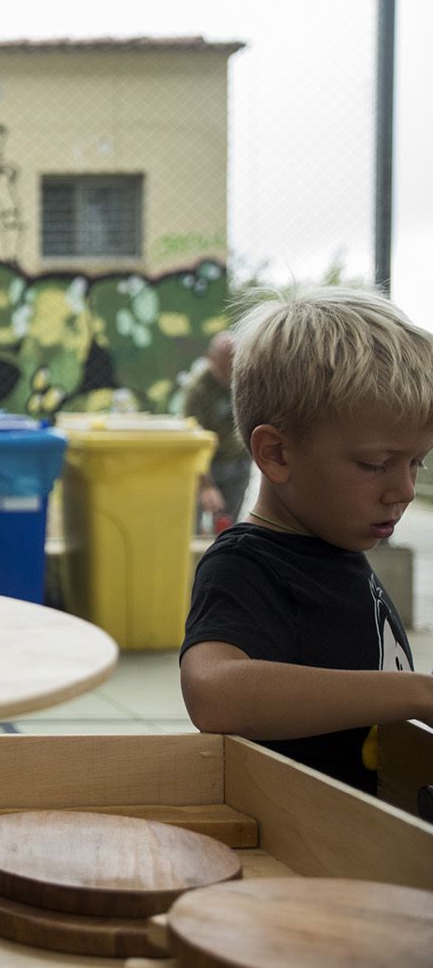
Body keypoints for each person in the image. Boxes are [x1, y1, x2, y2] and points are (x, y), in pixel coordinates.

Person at [179, 285, 433, 793]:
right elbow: (212, 691)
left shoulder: (337, 547)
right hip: (304, 848)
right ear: (276, 454)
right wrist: (419, 693)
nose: (403, 490)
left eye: (417, 463)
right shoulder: (249, 562)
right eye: (375, 464)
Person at [181, 331, 249, 530]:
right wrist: (206, 486)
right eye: (223, 367)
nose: (229, 375)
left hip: (238, 461)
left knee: (229, 524)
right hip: (207, 463)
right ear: (210, 359)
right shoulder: (196, 388)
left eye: (233, 367)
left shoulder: (246, 378)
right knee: (193, 524)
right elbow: (192, 439)